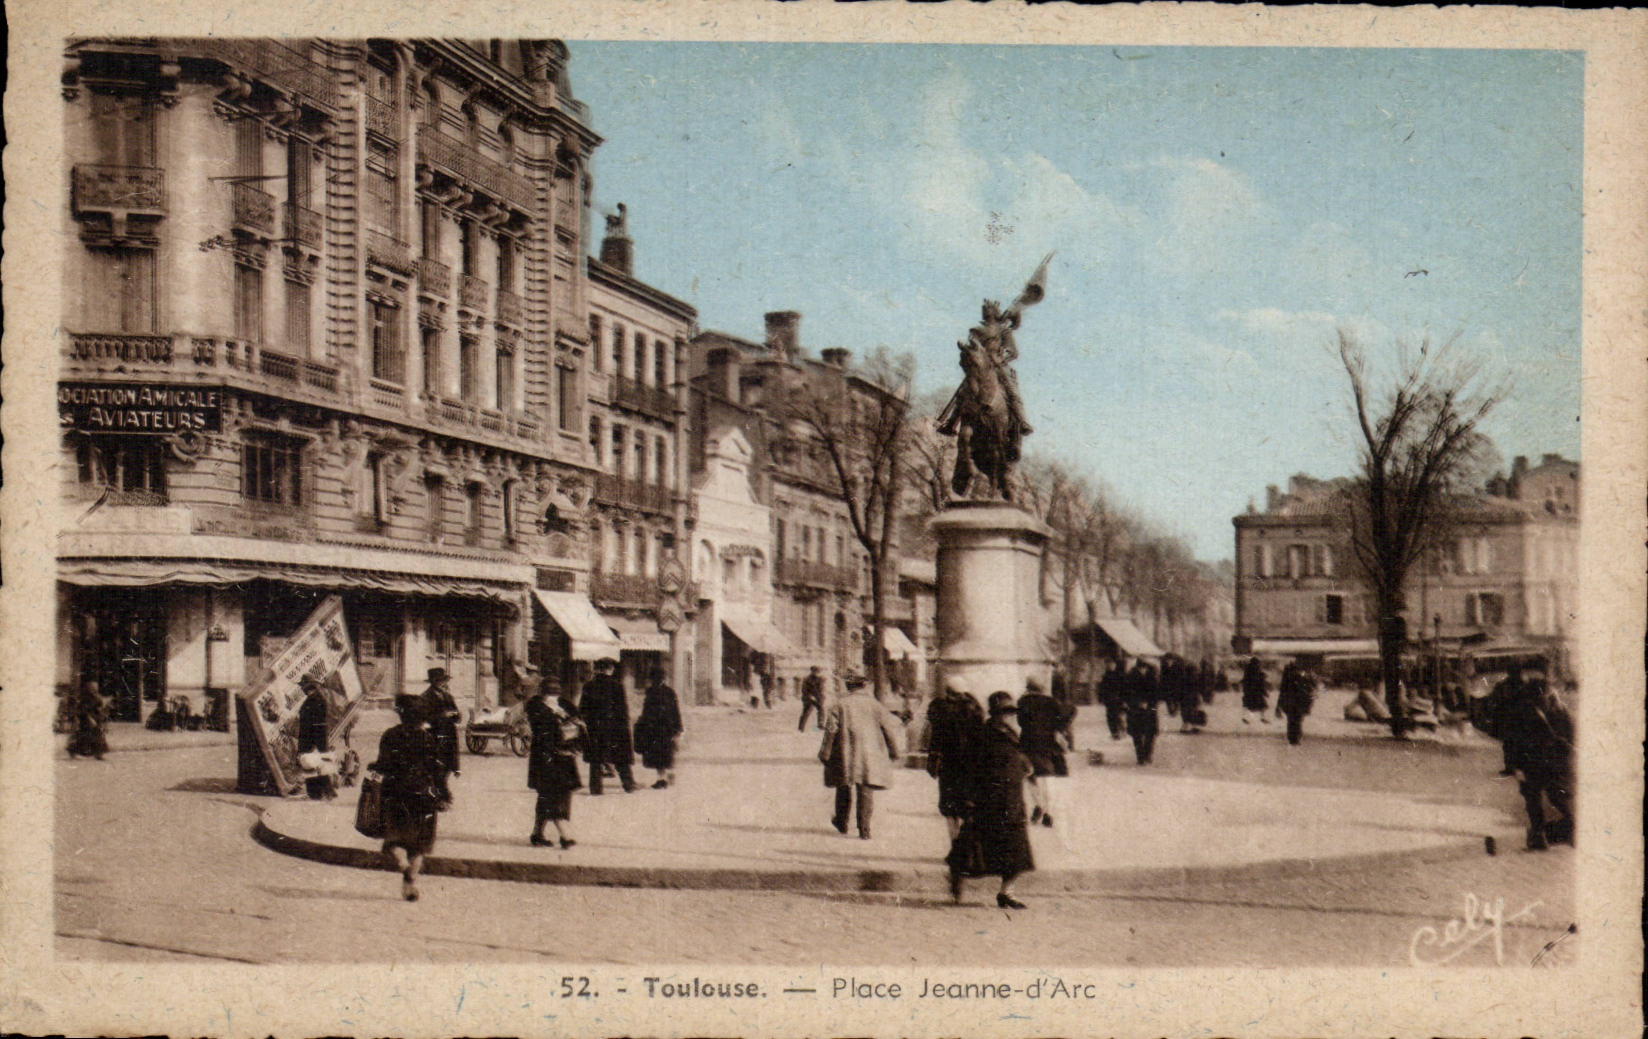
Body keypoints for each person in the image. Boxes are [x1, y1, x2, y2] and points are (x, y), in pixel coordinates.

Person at [946, 691, 1035, 910]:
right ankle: (957, 882)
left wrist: (1024, 766)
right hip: (989, 801)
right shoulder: (982, 735)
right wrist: (968, 798)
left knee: (1017, 852)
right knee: (972, 850)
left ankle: (1007, 892)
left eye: (1010, 712)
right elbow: (969, 767)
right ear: (994, 713)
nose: (1008, 716)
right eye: (1004, 712)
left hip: (1011, 800)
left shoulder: (1011, 734)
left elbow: (1017, 759)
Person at [371, 694, 445, 901]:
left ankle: (401, 863)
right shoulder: (428, 738)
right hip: (422, 794)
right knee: (419, 843)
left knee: (394, 836)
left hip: (395, 791)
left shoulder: (390, 735)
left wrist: (374, 769)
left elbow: (382, 764)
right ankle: (411, 881)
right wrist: (441, 794)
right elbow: (437, 770)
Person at [818, 669, 905, 840]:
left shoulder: (839, 705)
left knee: (843, 785)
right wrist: (894, 751)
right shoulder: (875, 705)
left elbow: (831, 730)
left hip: (844, 751)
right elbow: (888, 729)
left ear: (848, 686)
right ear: (863, 685)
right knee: (865, 787)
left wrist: (825, 752)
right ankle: (864, 829)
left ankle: (842, 822)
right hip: (869, 754)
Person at [924, 682, 986, 841]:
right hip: (971, 763)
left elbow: (935, 738)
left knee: (950, 807)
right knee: (968, 805)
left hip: (949, 764)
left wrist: (933, 760)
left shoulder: (940, 708)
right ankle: (968, 847)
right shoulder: (974, 708)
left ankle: (955, 844)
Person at [525, 682, 583, 848]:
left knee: (550, 795)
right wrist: (557, 716)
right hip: (546, 757)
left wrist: (573, 722)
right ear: (542, 694)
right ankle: (564, 835)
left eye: (556, 694)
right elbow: (543, 731)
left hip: (563, 757)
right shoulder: (536, 708)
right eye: (549, 694)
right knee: (553, 795)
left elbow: (576, 724)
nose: (553, 697)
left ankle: (537, 833)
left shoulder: (563, 706)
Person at [1016, 677, 1073, 828]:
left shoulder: (1022, 702)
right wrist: (1060, 728)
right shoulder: (1051, 702)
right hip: (1048, 742)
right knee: (1048, 777)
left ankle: (1038, 804)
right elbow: (1068, 712)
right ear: (1041, 688)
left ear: (1028, 687)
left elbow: (1020, 722)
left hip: (1028, 742)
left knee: (1030, 776)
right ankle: (1049, 812)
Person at [580, 658, 637, 794]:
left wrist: (588, 723)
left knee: (595, 760)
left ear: (597, 669)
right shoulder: (617, 686)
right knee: (620, 758)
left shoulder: (588, 686)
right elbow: (622, 710)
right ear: (610, 669)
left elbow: (583, 709)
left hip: (595, 728)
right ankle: (628, 785)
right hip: (615, 727)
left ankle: (595, 789)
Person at [633, 668, 684, 789]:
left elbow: (675, 711)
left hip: (664, 728)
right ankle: (663, 778)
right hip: (658, 728)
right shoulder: (657, 691)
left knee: (665, 754)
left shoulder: (666, 692)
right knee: (661, 754)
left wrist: (678, 728)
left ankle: (666, 776)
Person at [421, 667, 462, 804]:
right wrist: (441, 716)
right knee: (436, 764)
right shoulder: (425, 697)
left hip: (449, 734)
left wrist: (456, 716)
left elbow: (457, 714)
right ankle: (440, 793)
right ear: (433, 682)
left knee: (448, 764)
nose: (442, 683)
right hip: (435, 734)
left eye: (443, 680)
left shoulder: (447, 696)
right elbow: (424, 717)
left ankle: (441, 790)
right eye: (439, 681)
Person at [297, 674, 336, 800]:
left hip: (312, 739)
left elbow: (317, 724)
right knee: (317, 765)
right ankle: (323, 791)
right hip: (314, 738)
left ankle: (320, 792)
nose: (302, 689)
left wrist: (314, 744)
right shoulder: (316, 699)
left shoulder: (316, 700)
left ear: (309, 687)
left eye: (303, 686)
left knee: (314, 765)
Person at [1125, 658, 1163, 765]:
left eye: (1144, 668)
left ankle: (1148, 755)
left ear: (1147, 668)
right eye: (1140, 668)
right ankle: (1140, 757)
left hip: (1150, 709)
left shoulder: (1153, 677)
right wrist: (1137, 703)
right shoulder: (1130, 677)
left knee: (1150, 734)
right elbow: (1127, 693)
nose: (1142, 670)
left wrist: (1149, 703)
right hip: (1135, 710)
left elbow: (1157, 693)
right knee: (1137, 734)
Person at [66, 679, 109, 760]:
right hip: (87, 720)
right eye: (93, 687)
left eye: (96, 687)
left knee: (97, 736)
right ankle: (74, 752)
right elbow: (84, 710)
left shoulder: (96, 696)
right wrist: (89, 719)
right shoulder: (86, 698)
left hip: (95, 719)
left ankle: (98, 754)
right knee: (84, 737)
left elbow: (99, 706)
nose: (95, 689)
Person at [1276, 660, 1317, 746]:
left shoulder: (1290, 675)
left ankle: (1293, 738)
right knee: (1296, 720)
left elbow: (1283, 690)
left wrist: (1279, 706)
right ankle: (1294, 738)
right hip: (1296, 702)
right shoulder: (1306, 674)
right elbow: (1311, 687)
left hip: (1293, 701)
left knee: (1293, 720)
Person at [1097, 656, 1128, 741]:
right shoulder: (1105, 675)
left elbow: (1125, 688)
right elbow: (1102, 688)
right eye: (1108, 664)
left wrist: (1125, 699)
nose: (1110, 666)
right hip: (1109, 700)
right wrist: (1101, 698)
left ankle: (1122, 730)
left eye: (1111, 664)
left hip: (1118, 700)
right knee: (1110, 717)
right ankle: (1114, 733)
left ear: (1115, 665)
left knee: (1118, 716)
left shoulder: (1120, 675)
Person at [1241, 656, 1271, 724]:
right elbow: (1261, 684)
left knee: (1247, 706)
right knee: (1263, 706)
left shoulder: (1247, 671)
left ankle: (1245, 718)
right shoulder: (1258, 672)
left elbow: (1244, 682)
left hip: (1249, 693)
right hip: (1257, 693)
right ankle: (1263, 718)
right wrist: (1265, 693)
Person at [798, 666, 826, 732]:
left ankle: (820, 725)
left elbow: (821, 689)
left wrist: (822, 698)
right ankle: (801, 728)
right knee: (806, 712)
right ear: (812, 671)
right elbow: (804, 690)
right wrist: (810, 697)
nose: (817, 673)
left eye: (818, 672)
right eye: (815, 671)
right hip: (808, 698)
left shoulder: (820, 679)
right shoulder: (807, 679)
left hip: (817, 698)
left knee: (821, 710)